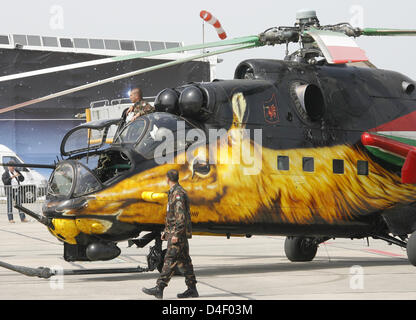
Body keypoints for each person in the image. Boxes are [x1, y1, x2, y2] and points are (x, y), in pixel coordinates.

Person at [142, 169, 198, 299]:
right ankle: (192, 289)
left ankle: (159, 288)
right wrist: (166, 232)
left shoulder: (177, 193)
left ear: (167, 179)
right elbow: (172, 216)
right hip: (176, 232)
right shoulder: (174, 192)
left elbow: (180, 217)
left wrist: (175, 235)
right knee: (185, 262)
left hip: (178, 234)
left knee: (169, 260)